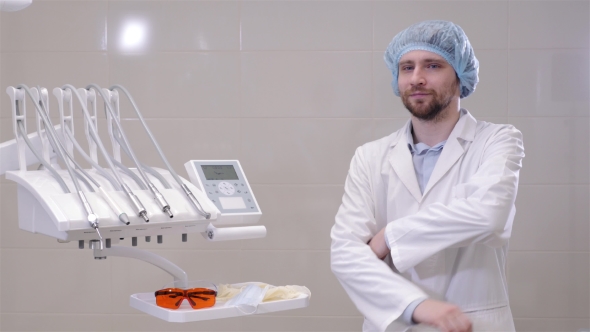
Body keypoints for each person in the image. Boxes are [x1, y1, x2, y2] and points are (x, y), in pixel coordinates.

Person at [330, 20, 524, 332]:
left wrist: (390, 236)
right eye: (407, 68)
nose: (417, 78)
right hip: (397, 322)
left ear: (460, 76)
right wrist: (415, 305)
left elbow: (488, 216)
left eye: (432, 65)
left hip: (474, 323)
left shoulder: (497, 140)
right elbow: (346, 254)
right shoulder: (370, 156)